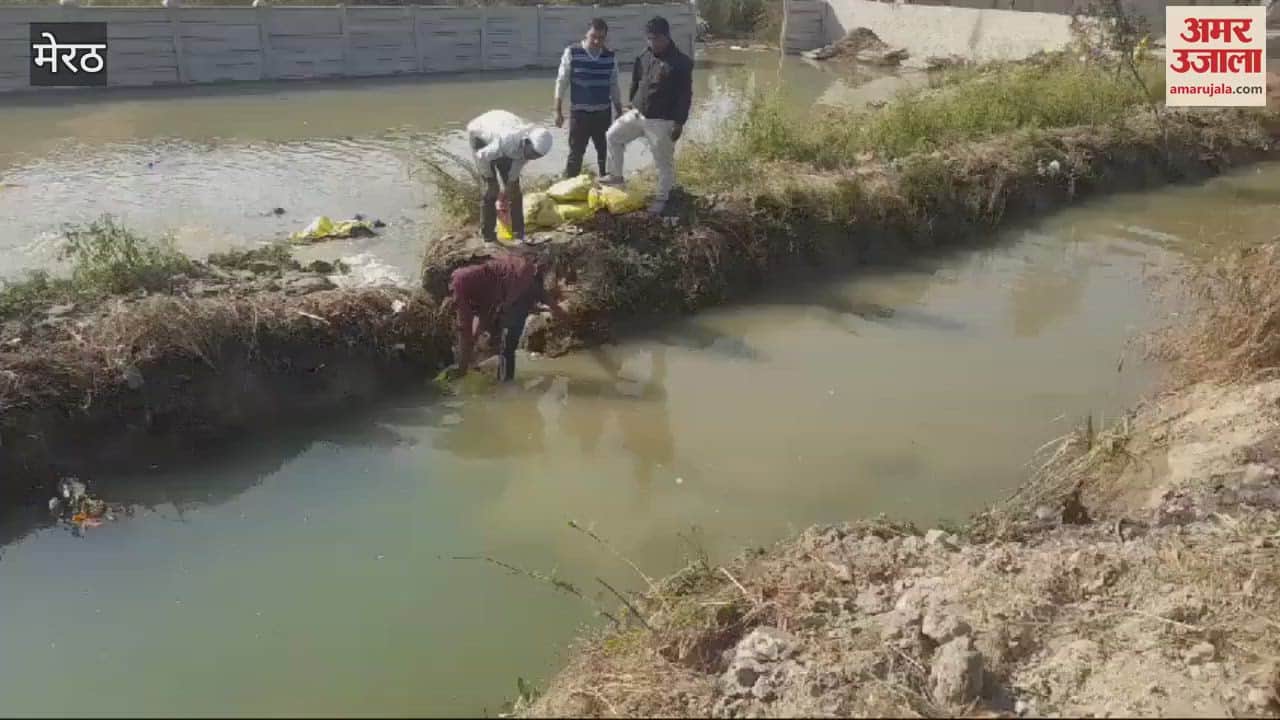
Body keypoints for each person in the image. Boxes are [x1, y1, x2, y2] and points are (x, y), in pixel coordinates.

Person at [600, 15, 694, 215]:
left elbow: (685, 95)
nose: (653, 43)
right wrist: (630, 104)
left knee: (663, 163)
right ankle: (616, 176)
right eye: (650, 39)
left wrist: (679, 122)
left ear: (667, 37)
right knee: (613, 135)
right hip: (638, 114)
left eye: (657, 39)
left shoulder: (681, 62)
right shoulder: (644, 56)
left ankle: (662, 198)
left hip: (662, 120)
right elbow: (636, 82)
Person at [447, 248, 571, 383]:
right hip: (515, 288)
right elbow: (482, 318)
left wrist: (462, 369)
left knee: (507, 346)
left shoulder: (461, 285)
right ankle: (499, 378)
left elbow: (465, 327)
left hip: (515, 293)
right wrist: (473, 339)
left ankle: (504, 384)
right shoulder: (483, 283)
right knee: (504, 345)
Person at [466, 110, 554, 244]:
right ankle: (488, 237)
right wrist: (490, 180)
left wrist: (509, 185)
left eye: (536, 156)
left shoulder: (529, 147)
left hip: (503, 132)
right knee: (491, 190)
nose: (532, 157)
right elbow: (482, 157)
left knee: (514, 190)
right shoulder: (506, 141)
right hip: (481, 138)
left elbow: (517, 165)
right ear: (527, 142)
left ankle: (518, 234)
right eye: (532, 153)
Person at [554, 17, 624, 179]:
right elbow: (561, 81)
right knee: (575, 153)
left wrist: (619, 111)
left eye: (601, 38)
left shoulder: (610, 57)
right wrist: (557, 111)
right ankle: (569, 185)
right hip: (579, 115)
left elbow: (614, 85)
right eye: (593, 36)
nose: (597, 41)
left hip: (602, 114)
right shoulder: (572, 52)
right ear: (586, 34)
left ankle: (607, 184)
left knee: (605, 152)